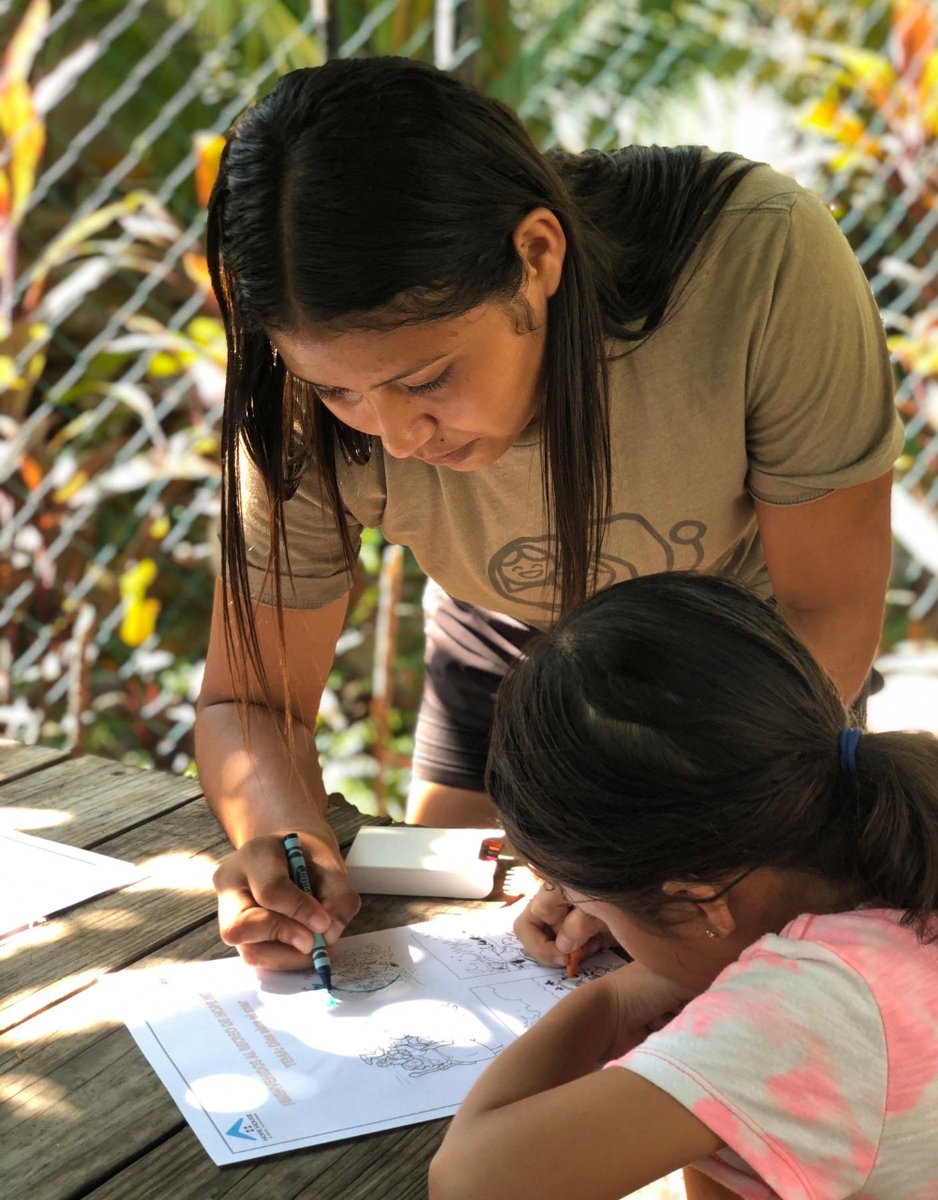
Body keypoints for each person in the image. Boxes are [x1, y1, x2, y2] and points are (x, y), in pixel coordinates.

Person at [195, 55, 902, 973]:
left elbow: (831, 610)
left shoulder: (757, 262)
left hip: (747, 680)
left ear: (537, 257)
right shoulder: (293, 401)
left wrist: (630, 864)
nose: (396, 434)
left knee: (711, 976)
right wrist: (283, 838)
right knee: (472, 951)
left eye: (427, 379)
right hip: (509, 643)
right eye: (339, 393)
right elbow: (249, 698)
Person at [429, 572, 938, 1200]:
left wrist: (613, 1000)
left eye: (586, 903)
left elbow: (471, 1181)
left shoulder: (808, 1006)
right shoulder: (907, 855)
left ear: (698, 899)